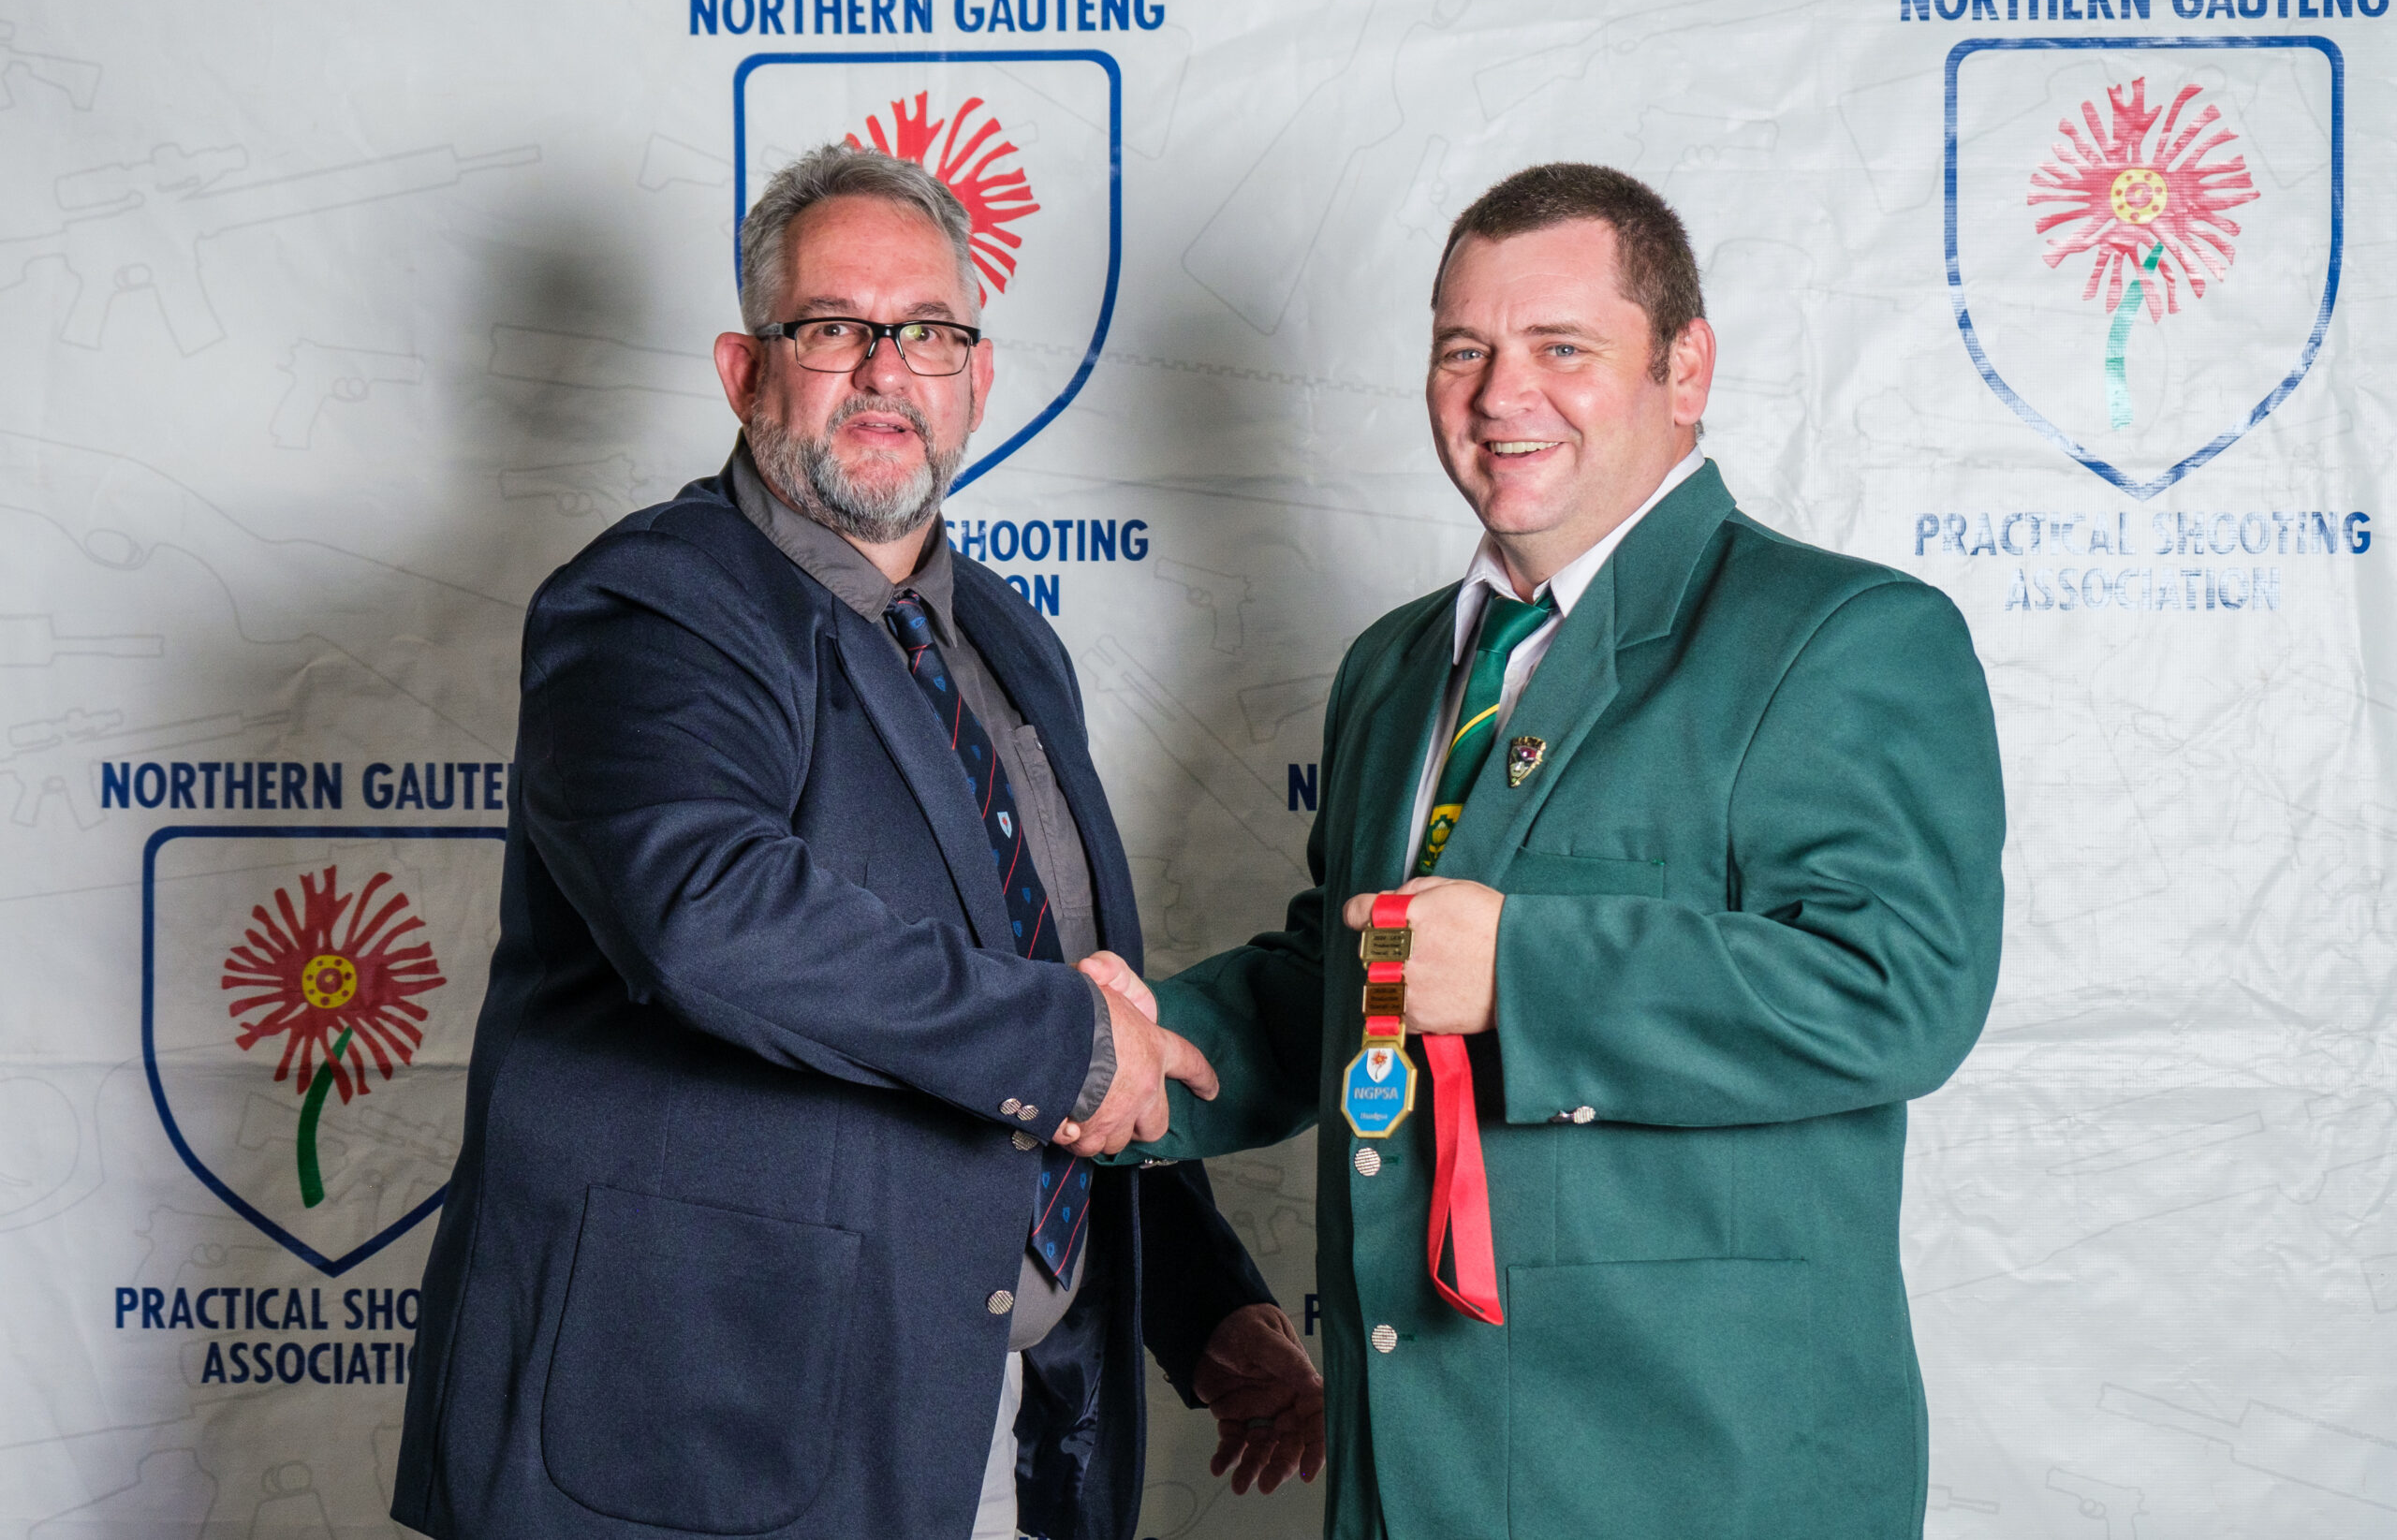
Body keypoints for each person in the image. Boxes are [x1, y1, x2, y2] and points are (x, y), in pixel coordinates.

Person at [393, 143, 1323, 1540]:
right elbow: (709, 911)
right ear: (744, 371)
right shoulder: (656, 605)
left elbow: (1067, 987)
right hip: (701, 1443)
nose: (889, 370)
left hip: (978, 1422)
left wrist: (1201, 1307)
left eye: (930, 332)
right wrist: (1075, 1044)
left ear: (977, 379)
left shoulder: (1008, 641)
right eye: (834, 328)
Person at [1080, 163, 2006, 1538]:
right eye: (1465, 350)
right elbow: (1355, 976)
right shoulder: (1394, 665)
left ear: (1685, 368)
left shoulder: (1842, 637)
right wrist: (1147, 1057)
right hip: (1411, 1476)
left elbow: (1900, 991)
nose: (1501, 395)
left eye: (1561, 348)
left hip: (1697, 1483)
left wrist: (1519, 972)